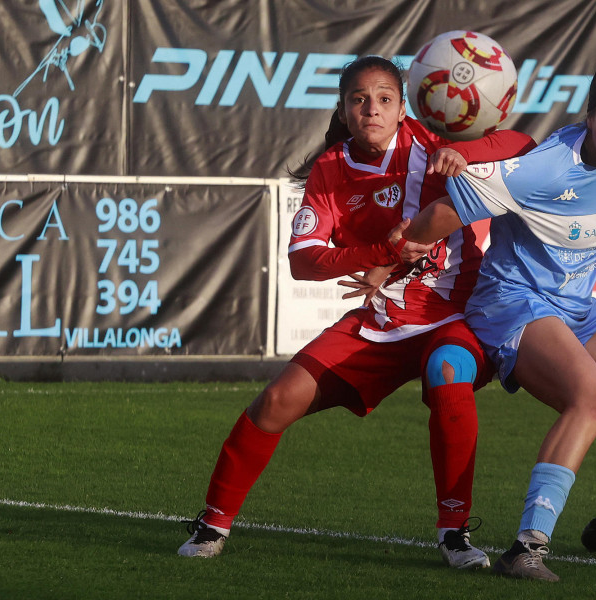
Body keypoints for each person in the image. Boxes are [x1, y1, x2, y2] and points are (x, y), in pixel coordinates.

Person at [394, 24, 596, 582]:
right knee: (591, 396)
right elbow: (444, 215)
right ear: (590, 112)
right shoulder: (544, 165)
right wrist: (399, 247)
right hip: (512, 302)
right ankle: (527, 547)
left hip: (576, 308)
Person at [176, 55, 535, 569]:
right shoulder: (330, 168)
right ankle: (212, 523)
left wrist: (465, 151)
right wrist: (382, 256)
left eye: (385, 99)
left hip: (455, 314)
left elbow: (522, 144)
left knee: (447, 373)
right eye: (359, 100)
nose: (372, 109)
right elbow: (303, 261)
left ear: (402, 107)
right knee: (277, 400)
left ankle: (454, 533)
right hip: (382, 320)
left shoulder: (435, 143)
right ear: (344, 111)